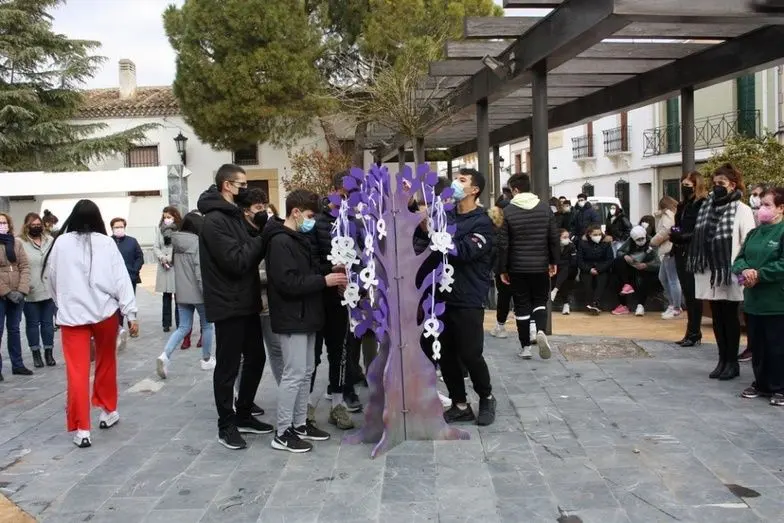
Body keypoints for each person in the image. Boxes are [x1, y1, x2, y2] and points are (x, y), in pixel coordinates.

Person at [43, 200, 138, 448]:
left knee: (77, 371)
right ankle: (108, 410)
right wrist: (131, 313)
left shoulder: (61, 243)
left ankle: (82, 428)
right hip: (105, 312)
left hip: (72, 316)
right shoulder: (106, 242)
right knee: (107, 361)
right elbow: (121, 279)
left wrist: (60, 303)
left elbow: (51, 277)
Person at [198, 164, 272, 450]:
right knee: (228, 367)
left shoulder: (234, 215)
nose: (246, 189)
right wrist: (262, 238)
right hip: (227, 303)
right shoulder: (214, 221)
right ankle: (226, 425)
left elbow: (247, 248)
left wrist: (259, 229)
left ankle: (243, 414)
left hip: (246, 300)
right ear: (227, 185)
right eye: (242, 184)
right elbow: (237, 261)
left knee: (256, 358)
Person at [264, 189, 344, 452]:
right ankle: (282, 431)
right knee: (294, 374)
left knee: (306, 371)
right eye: (309, 216)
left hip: (308, 314)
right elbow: (287, 282)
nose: (311, 221)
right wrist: (324, 280)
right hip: (292, 316)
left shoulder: (299, 238)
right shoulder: (280, 241)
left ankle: (300, 424)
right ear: (295, 212)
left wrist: (330, 270)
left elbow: (309, 270)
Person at [687, 163, 755, 380]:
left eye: (722, 183)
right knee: (717, 317)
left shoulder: (742, 209)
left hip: (729, 271)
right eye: (715, 183)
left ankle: (732, 362)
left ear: (732, 185)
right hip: (709, 271)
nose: (717, 186)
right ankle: (721, 359)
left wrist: (742, 267)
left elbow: (748, 241)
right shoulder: (707, 208)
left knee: (729, 317)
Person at [439, 169, 496, 426]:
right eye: (456, 178)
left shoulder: (482, 222)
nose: (455, 183)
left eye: (462, 180)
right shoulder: (446, 215)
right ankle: (459, 404)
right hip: (443, 296)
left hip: (469, 296)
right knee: (447, 354)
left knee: (471, 353)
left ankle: (486, 397)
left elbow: (464, 251)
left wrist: (439, 236)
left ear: (475, 190)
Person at [312, 172, 362, 425]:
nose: (347, 201)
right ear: (333, 191)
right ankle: (307, 405)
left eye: (352, 196)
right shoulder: (316, 223)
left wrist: (355, 283)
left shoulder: (356, 224)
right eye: (343, 195)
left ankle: (339, 403)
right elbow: (309, 260)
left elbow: (364, 260)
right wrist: (328, 273)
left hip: (343, 300)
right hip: (316, 298)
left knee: (341, 352)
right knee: (312, 354)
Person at [497, 172, 559, 361]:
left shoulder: (507, 212)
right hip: (540, 265)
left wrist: (502, 269)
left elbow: (503, 244)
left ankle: (525, 347)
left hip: (517, 268)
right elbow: (553, 237)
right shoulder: (545, 209)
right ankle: (540, 330)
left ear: (515, 190)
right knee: (540, 301)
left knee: (522, 305)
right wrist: (553, 261)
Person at [732, 187, 784, 405]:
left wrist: (759, 274)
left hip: (776, 301)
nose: (761, 209)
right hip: (753, 301)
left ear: (781, 208)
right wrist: (745, 271)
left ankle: (779, 387)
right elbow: (739, 259)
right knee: (758, 346)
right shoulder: (754, 233)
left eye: (767, 205)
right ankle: (761, 383)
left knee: (777, 346)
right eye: (761, 204)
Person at [156, 212, 215, 378]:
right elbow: (199, 272)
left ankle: (165, 355)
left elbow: (173, 264)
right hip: (198, 294)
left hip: (181, 293)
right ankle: (206, 359)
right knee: (207, 326)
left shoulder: (176, 242)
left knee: (183, 327)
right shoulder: (197, 243)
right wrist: (207, 293)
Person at [236, 187, 273, 417]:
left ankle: (246, 401)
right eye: (258, 208)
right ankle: (242, 399)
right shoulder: (241, 234)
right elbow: (242, 266)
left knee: (265, 354)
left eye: (264, 207)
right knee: (245, 357)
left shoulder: (266, 231)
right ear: (246, 211)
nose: (263, 212)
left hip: (266, 304)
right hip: (245, 303)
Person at [670, 171, 708, 347]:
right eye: (683, 184)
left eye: (687, 185)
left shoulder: (702, 203)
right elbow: (679, 224)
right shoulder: (683, 204)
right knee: (688, 292)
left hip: (693, 251)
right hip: (680, 250)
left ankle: (694, 332)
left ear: (696, 185)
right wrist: (675, 234)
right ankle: (691, 331)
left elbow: (701, 229)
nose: (684, 187)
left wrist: (684, 236)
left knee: (693, 294)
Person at [19, 213, 56, 368]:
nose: (36, 227)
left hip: (48, 289)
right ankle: (36, 353)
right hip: (30, 290)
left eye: (38, 224)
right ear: (27, 226)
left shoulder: (50, 240)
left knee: (48, 324)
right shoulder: (20, 242)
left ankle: (49, 352)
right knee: (32, 324)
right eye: (33, 225)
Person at [0, 213, 32, 379]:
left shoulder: (16, 243)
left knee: (14, 330)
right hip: (2, 295)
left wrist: (21, 290)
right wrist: (6, 291)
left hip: (17, 293)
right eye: (0, 223)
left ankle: (17, 364)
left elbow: (24, 266)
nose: (2, 225)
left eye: (4, 222)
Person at [611, 225, 660, 317]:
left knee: (647, 278)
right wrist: (625, 256)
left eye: (642, 238)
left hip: (647, 269)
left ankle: (640, 305)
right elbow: (619, 252)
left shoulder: (652, 243)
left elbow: (658, 264)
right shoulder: (629, 241)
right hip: (632, 266)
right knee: (617, 265)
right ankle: (625, 291)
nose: (641, 241)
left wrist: (646, 265)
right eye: (638, 239)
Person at [110, 217, 143, 348]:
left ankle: (132, 327)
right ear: (112, 228)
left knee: (130, 301)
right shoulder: (108, 242)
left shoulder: (132, 241)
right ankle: (118, 329)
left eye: (121, 226)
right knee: (116, 307)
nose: (119, 229)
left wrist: (134, 270)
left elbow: (139, 257)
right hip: (113, 280)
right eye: (116, 227)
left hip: (130, 277)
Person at [651, 196, 682, 319]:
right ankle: (672, 304)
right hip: (668, 249)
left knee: (672, 279)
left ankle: (676, 307)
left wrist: (653, 241)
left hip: (669, 249)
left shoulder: (668, 215)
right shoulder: (673, 214)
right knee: (663, 277)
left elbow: (665, 231)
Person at [489, 195, 513, 338]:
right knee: (522, 297)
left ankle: (501, 326)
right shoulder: (515, 222)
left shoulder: (493, 225)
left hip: (500, 267)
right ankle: (531, 328)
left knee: (503, 296)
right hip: (518, 264)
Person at [577, 225, 614, 315]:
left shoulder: (606, 243)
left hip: (602, 269)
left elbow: (609, 259)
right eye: (595, 234)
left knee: (601, 282)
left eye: (599, 234)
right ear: (589, 234)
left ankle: (595, 303)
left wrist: (599, 269)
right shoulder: (582, 244)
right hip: (587, 269)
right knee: (587, 283)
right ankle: (590, 304)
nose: (598, 236)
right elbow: (579, 260)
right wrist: (589, 269)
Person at [552, 229, 578, 315]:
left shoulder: (571, 245)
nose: (567, 239)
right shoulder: (553, 246)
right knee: (563, 281)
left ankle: (555, 290)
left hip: (569, 269)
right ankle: (566, 304)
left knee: (564, 270)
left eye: (568, 237)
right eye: (565, 237)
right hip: (556, 269)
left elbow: (574, 262)